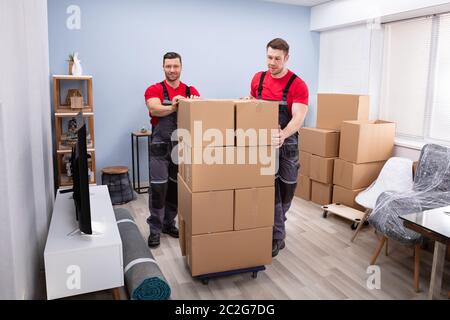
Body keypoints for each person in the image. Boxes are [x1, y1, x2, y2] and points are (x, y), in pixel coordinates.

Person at [248, 38, 308, 257]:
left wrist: (283, 135)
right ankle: (276, 236)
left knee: (287, 189)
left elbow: (299, 117)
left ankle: (276, 225)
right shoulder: (258, 78)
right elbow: (254, 108)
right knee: (270, 191)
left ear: (287, 58)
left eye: (277, 59)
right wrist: (249, 103)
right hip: (263, 145)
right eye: (269, 57)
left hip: (287, 144)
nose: (272, 63)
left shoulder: (297, 85)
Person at [144, 52, 200, 248]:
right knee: (159, 188)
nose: (172, 70)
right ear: (163, 67)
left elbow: (199, 115)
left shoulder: (190, 90)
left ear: (181, 67)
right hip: (160, 146)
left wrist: (193, 103)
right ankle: (155, 229)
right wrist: (176, 106)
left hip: (181, 147)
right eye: (168, 66)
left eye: (175, 66)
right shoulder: (154, 89)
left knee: (175, 189)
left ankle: (169, 223)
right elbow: (154, 109)